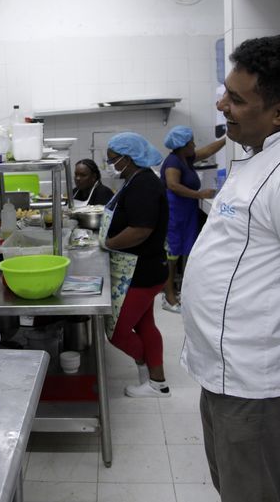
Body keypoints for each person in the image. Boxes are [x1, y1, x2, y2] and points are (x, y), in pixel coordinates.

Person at [180, 35, 280, 502]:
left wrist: (269, 346)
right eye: (225, 91)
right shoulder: (257, 157)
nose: (222, 104)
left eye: (236, 98)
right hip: (229, 374)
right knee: (235, 489)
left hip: (256, 382)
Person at [100, 132, 171, 398]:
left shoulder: (144, 186)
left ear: (128, 159)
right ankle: (156, 383)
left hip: (141, 271)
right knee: (145, 325)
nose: (110, 164)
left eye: (112, 160)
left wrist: (109, 243)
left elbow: (140, 230)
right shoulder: (135, 179)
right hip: (144, 268)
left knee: (117, 332)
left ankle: (148, 371)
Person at [159, 126, 225, 313]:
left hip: (186, 211)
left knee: (184, 250)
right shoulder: (173, 162)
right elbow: (173, 185)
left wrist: (228, 138)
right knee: (171, 256)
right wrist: (198, 194)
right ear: (183, 145)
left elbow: (208, 150)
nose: (195, 145)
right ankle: (168, 297)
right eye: (192, 142)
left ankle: (179, 292)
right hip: (174, 212)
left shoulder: (185, 158)